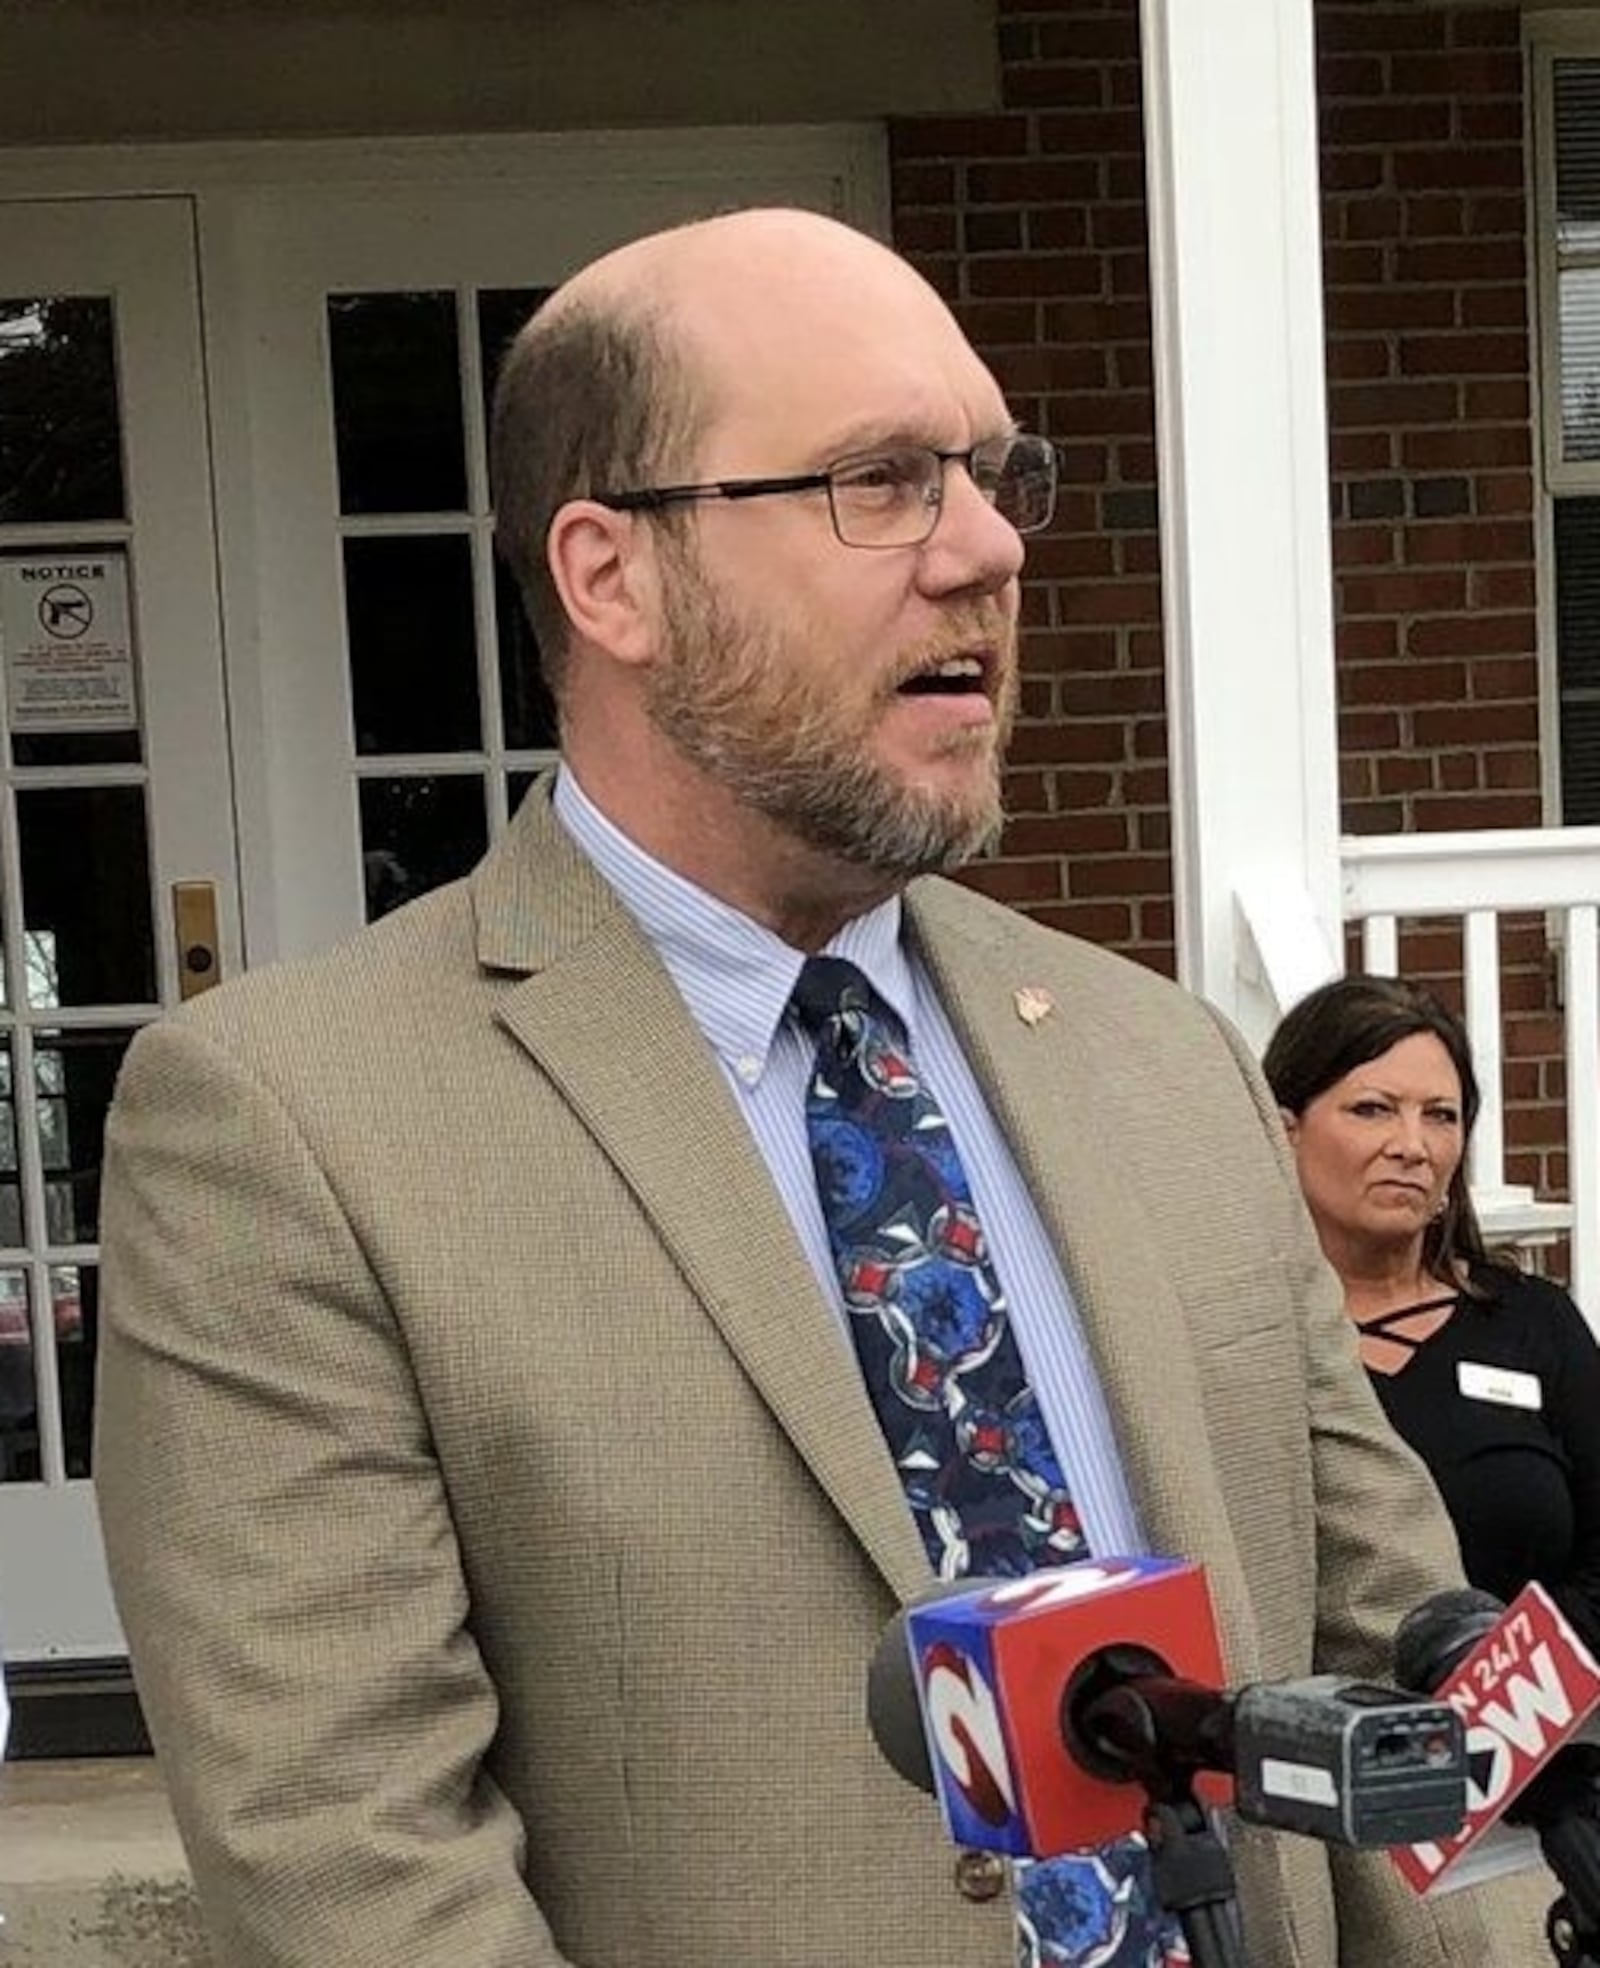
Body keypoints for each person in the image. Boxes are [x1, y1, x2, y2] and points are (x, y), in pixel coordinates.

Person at [94, 208, 1551, 1968]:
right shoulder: (289, 1128)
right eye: (880, 480)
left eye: (998, 474)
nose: (990, 547)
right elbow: (351, 1865)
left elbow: (1381, 1624)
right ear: (610, 572)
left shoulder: (1158, 1058)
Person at [1264, 971, 1600, 1653]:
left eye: (1440, 1116)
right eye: (1373, 1109)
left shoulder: (1532, 1323)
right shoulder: (1245, 1339)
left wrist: (1499, 1690)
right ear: (1285, 1130)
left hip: (1543, 1732)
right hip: (1312, 1734)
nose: (1412, 1146)